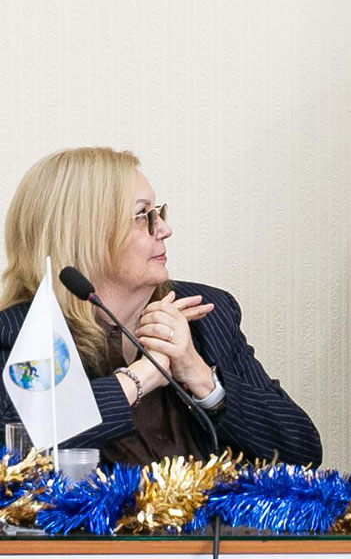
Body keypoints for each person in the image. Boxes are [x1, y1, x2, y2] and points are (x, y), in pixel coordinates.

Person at [0, 147, 322, 467]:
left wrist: (201, 378)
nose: (165, 230)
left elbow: (302, 452)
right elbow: (18, 452)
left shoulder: (207, 315)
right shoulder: (20, 334)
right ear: (85, 236)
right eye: (143, 216)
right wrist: (142, 376)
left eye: (158, 213)